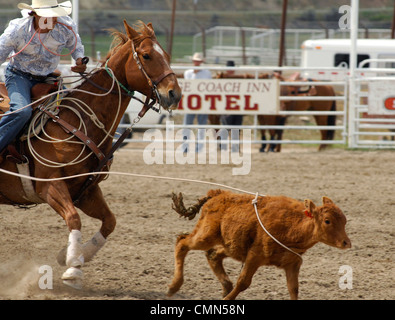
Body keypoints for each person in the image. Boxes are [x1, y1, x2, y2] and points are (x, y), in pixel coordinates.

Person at [0, 0, 86, 160]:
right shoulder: (17, 29)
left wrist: (80, 60)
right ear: (36, 15)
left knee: (72, 109)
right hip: (19, 76)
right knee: (22, 111)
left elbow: (77, 46)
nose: (53, 20)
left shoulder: (66, 26)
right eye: (49, 16)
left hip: (48, 77)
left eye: (55, 16)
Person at [182, 52, 212, 153]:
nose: (197, 63)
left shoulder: (207, 73)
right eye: (196, 61)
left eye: (199, 61)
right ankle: (185, 147)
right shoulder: (188, 73)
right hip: (190, 102)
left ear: (202, 62)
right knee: (187, 125)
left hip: (202, 101)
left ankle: (199, 148)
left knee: (201, 126)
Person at [220, 61, 243, 152]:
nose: (230, 70)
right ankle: (224, 147)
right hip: (227, 106)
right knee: (225, 127)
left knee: (236, 128)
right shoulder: (223, 77)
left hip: (237, 106)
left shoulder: (239, 77)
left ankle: (235, 148)